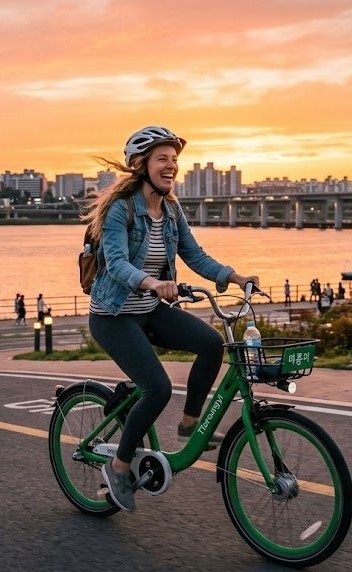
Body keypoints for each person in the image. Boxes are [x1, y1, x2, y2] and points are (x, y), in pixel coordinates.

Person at [84, 126, 257, 512]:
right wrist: (150, 282)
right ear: (141, 165)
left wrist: (234, 276)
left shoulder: (172, 209)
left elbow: (195, 256)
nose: (171, 166)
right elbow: (115, 263)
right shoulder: (121, 209)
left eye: (174, 159)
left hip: (148, 310)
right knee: (157, 389)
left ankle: (190, 424)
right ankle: (119, 465)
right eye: (162, 159)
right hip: (113, 316)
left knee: (212, 344)